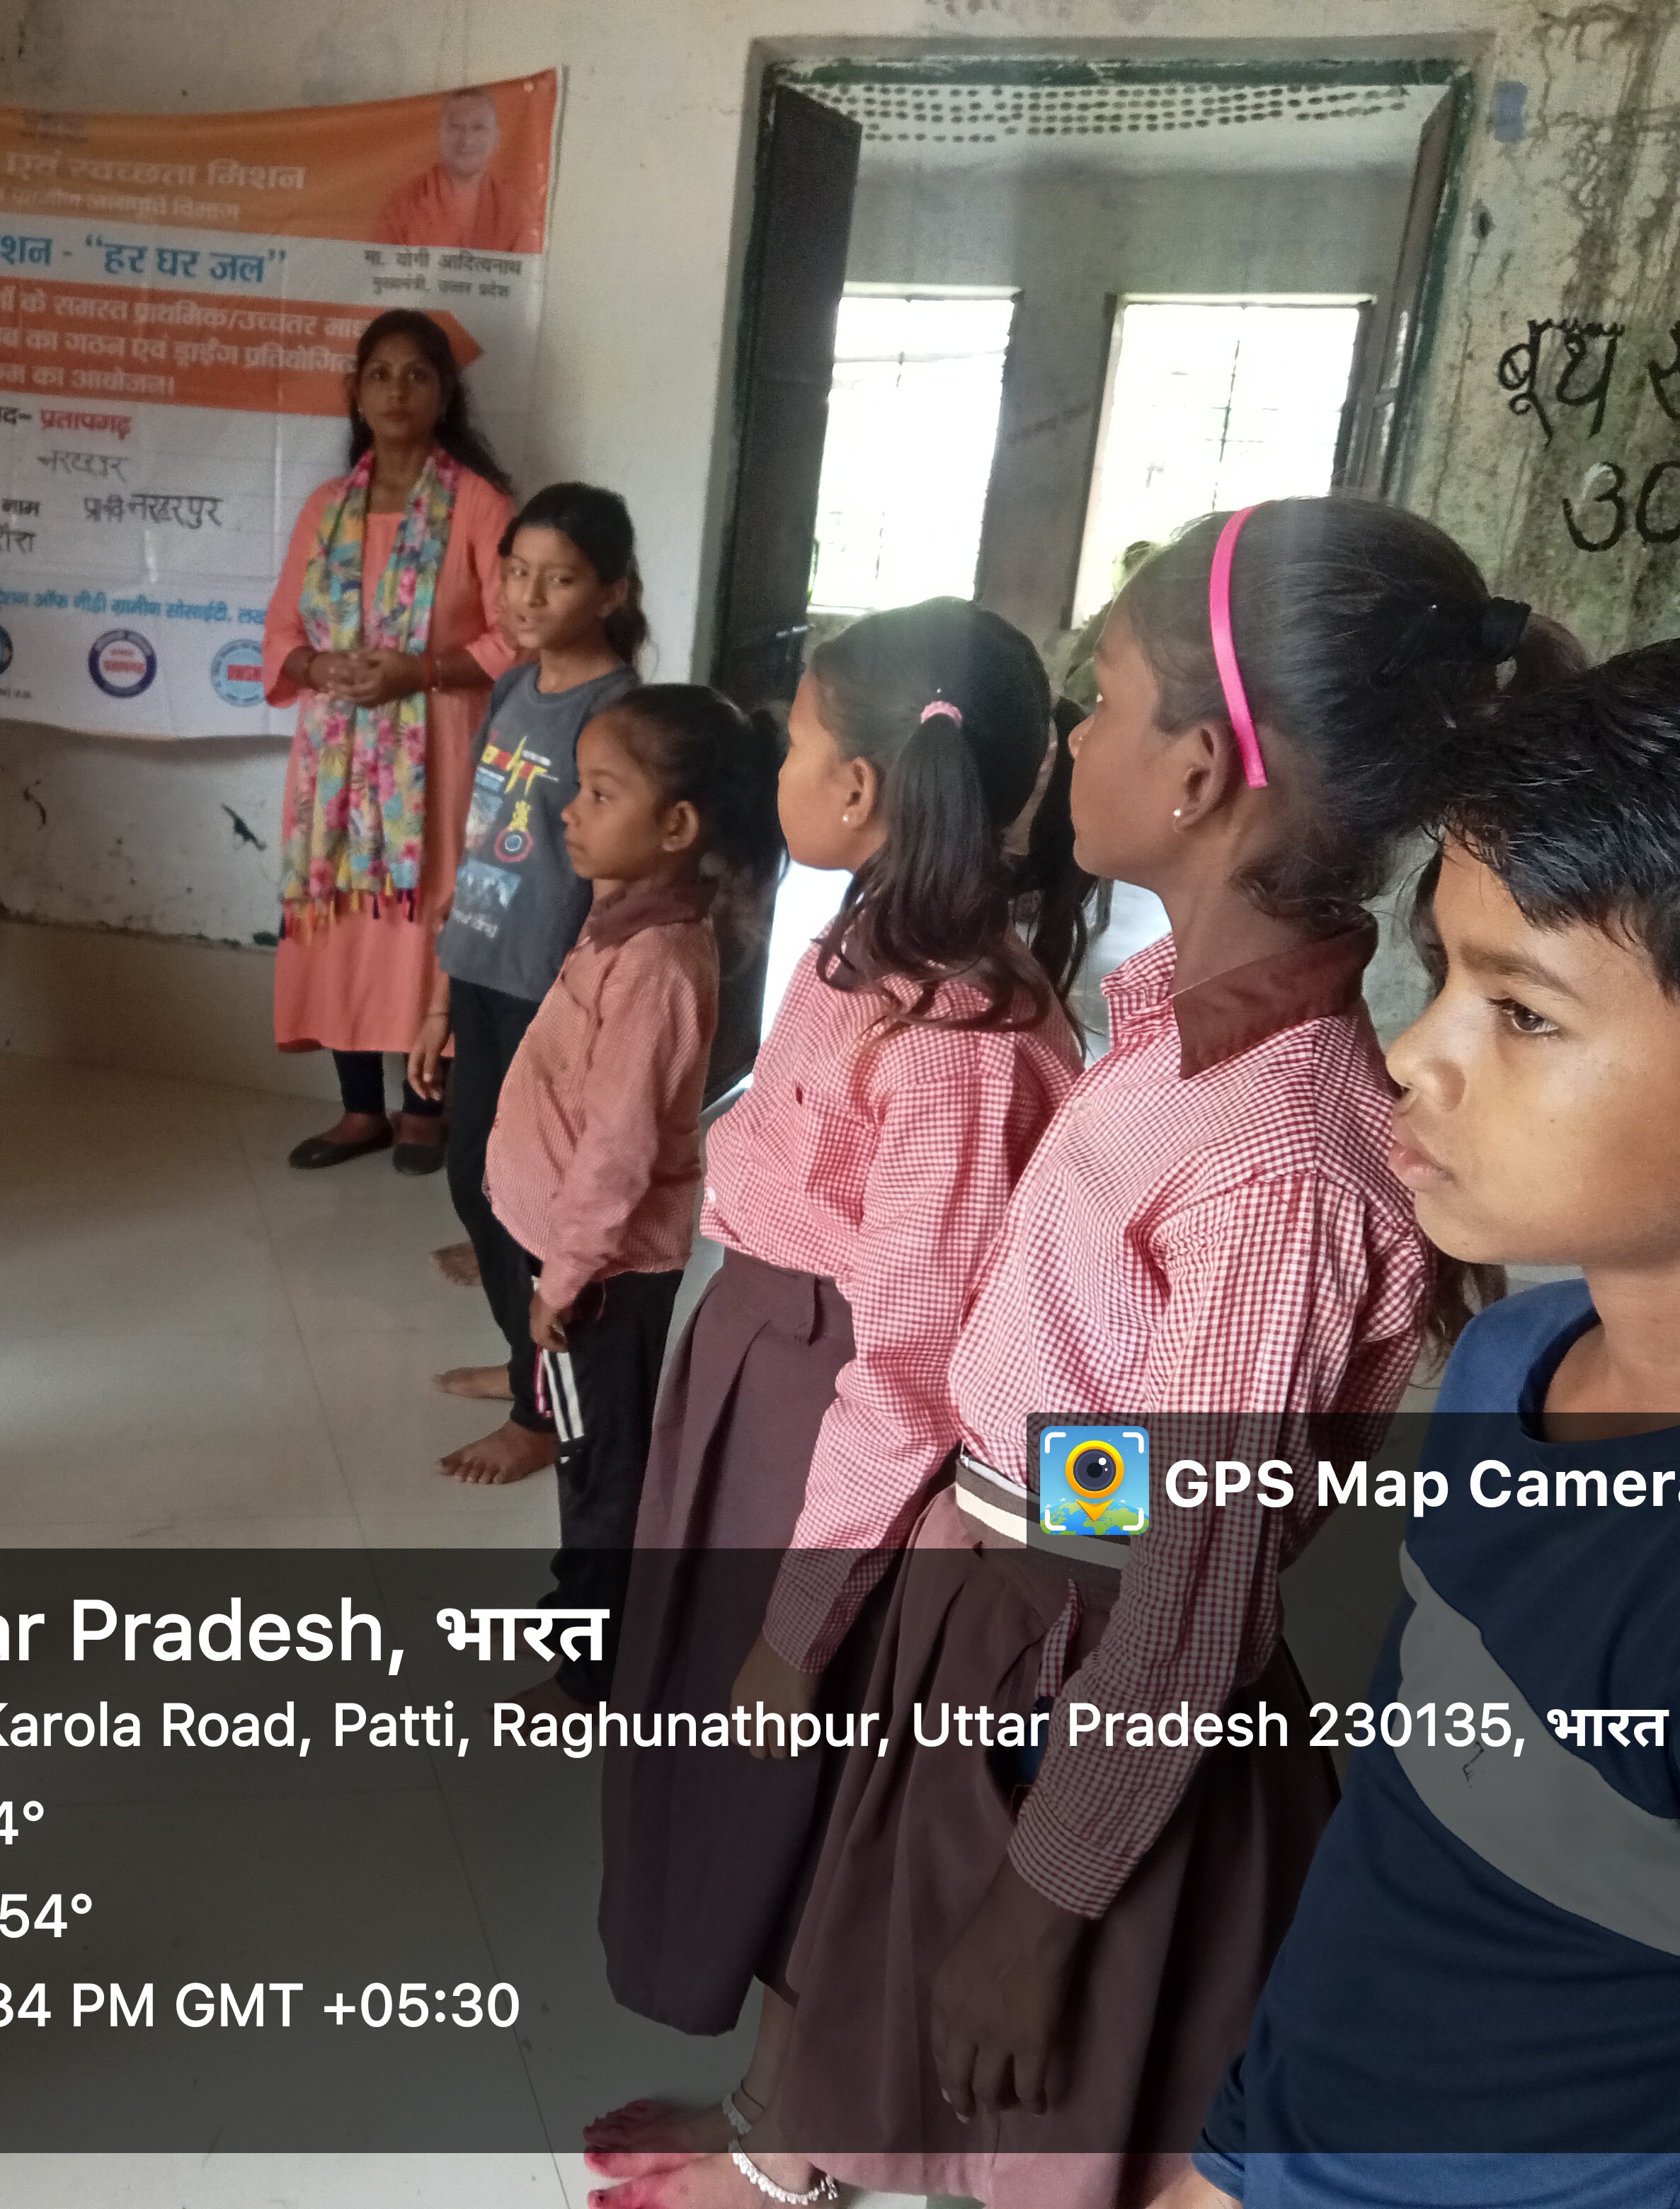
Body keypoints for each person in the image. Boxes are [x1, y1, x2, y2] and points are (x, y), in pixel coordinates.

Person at [593, 500, 1575, 2209]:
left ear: (1196, 771)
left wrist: (1043, 1906)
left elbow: (1192, 1583)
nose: (1070, 735)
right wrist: (977, 1514)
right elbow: (1117, 1441)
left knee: (1032, 2110)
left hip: (1089, 1682)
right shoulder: (1172, 1048)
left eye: (1102, 697)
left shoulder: (1276, 1157)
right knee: (911, 2047)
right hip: (1015, 1615)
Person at [1171, 627, 1680, 2209]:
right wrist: (1240, 2151)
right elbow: (1410, 1830)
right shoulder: (1517, 1357)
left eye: (1522, 1013)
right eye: (1444, 972)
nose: (1410, 1055)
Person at [585, 601, 1091, 2159]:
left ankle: (781, 2135)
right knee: (718, 1741)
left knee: (805, 1777)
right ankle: (766, 2087)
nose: (782, 765)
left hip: (833, 1440)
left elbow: (913, 1369)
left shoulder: (959, 1037)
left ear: (862, 786)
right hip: (762, 1382)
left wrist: (802, 1621)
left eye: (798, 740)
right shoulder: (862, 946)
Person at [484, 685, 780, 1701]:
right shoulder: (624, 917)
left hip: (597, 1277)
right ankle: (584, 1606)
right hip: (570, 1255)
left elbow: (615, 1152)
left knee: (598, 1464)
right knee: (585, 1443)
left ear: (676, 826)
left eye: (601, 793)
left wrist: (563, 1279)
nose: (570, 809)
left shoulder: (658, 963)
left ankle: (592, 1658)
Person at [416, 483, 641, 1481]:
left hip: (548, 993)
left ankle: (538, 1408)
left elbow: (618, 875)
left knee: (524, 1202)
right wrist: (437, 997)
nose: (526, 597)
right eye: (515, 573)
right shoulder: (512, 689)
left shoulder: (615, 713)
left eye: (558, 579)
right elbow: (478, 846)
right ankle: (526, 1366)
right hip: (480, 971)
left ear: (611, 592)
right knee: (477, 1182)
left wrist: (591, 1010)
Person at [264, 308, 516, 1171]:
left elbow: (517, 634)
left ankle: (424, 1108)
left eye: (416, 375)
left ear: (444, 393)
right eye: (379, 374)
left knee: (425, 915)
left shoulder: (478, 505)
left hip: (438, 750)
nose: (396, 390)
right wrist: (315, 664)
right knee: (343, 916)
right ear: (356, 392)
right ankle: (358, 1110)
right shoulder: (325, 508)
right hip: (334, 760)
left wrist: (422, 670)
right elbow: (281, 630)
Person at [373, 86, 542, 253]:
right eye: (455, 127)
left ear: (496, 137)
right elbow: (377, 266)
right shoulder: (404, 204)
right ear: (440, 135)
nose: (466, 140)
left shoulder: (514, 211)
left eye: (478, 128)